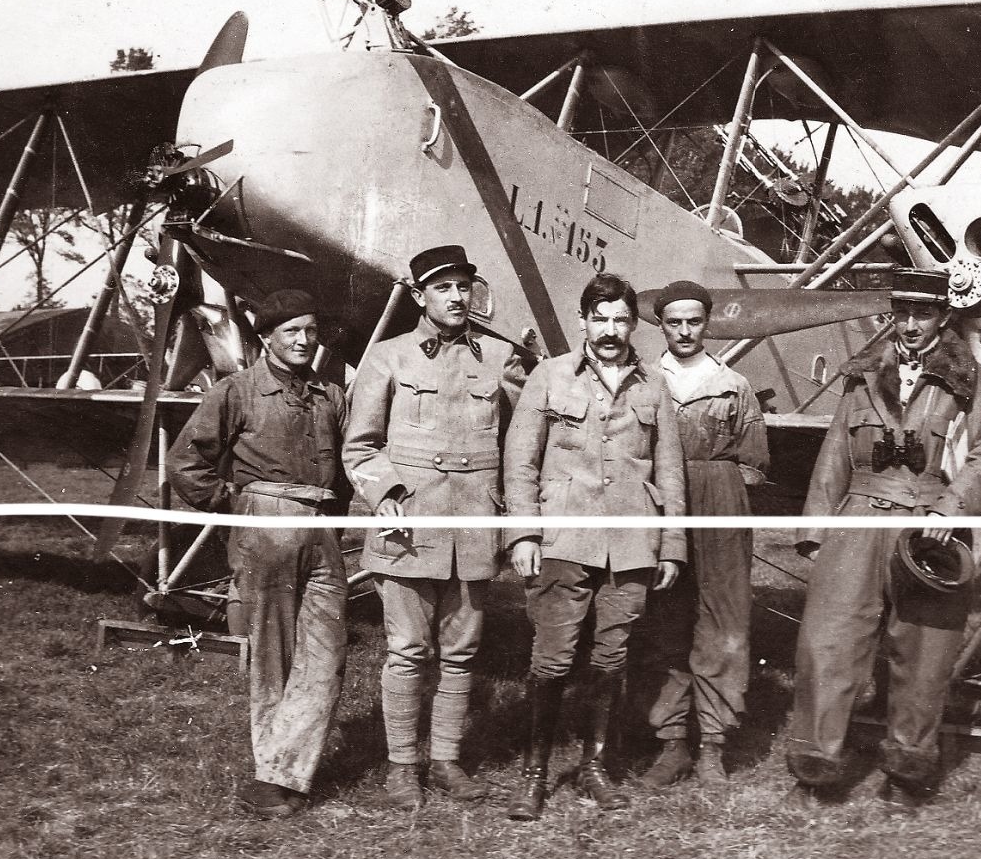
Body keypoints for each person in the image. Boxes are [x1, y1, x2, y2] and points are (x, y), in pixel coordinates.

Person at [785, 267, 981, 808]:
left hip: (928, 526)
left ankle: (906, 773)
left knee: (925, 652)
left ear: (944, 316)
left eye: (923, 314)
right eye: (902, 313)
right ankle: (816, 767)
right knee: (827, 643)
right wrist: (816, 532)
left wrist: (952, 507)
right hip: (858, 521)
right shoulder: (861, 376)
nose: (910, 325)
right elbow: (835, 453)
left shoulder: (974, 382)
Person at [342, 245, 528, 808]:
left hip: (474, 525)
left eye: (463, 287)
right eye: (442, 288)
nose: (455, 297)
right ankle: (403, 767)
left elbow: (524, 445)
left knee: (462, 650)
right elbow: (360, 446)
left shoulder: (501, 359)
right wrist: (387, 493)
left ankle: (445, 759)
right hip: (408, 526)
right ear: (420, 296)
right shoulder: (389, 358)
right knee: (408, 649)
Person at [503, 273, 687, 820]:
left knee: (611, 658)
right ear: (583, 320)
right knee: (553, 658)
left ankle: (594, 767)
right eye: (600, 319)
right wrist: (524, 533)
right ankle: (535, 777)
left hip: (631, 543)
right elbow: (521, 463)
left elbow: (671, 473)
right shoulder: (549, 375)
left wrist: (672, 545)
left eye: (621, 320)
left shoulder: (653, 386)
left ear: (633, 325)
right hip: (564, 537)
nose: (610, 331)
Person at [166, 288, 350, 819]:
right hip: (263, 527)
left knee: (326, 654)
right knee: (273, 653)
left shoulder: (330, 397)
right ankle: (275, 780)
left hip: (321, 530)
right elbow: (187, 462)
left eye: (310, 331)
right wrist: (235, 505)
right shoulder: (237, 392)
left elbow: (345, 465)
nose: (303, 340)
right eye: (291, 331)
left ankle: (288, 770)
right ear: (266, 337)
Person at [636, 280, 769, 789]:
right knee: (664, 614)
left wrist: (720, 491)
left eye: (694, 321)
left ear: (707, 324)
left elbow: (755, 463)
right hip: (658, 502)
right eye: (675, 322)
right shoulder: (644, 382)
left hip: (720, 502)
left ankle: (713, 742)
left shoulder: (734, 385)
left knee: (723, 617)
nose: (685, 331)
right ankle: (671, 743)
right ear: (661, 325)